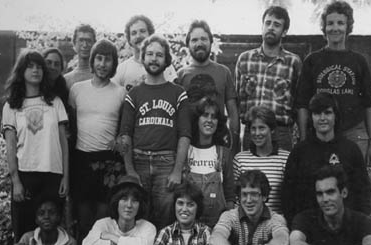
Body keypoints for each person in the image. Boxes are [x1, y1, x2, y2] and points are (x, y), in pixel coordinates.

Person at [68, 39, 125, 245]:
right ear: (92, 61)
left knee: (104, 222)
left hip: (108, 164)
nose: (103, 63)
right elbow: (69, 128)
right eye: (99, 58)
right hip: (81, 161)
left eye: (108, 59)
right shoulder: (77, 89)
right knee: (83, 222)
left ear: (113, 63)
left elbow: (123, 130)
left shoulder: (120, 92)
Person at [119, 34, 191, 229]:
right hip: (139, 160)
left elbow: (184, 134)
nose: (153, 58)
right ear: (143, 58)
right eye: (149, 54)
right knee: (139, 218)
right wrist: (130, 170)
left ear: (166, 60)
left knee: (165, 219)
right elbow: (125, 133)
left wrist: (177, 170)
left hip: (166, 163)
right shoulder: (134, 94)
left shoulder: (177, 93)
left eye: (159, 55)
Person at [296, 1, 371, 167]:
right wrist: (304, 141)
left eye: (340, 23)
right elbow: (302, 104)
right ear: (324, 28)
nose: (335, 28)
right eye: (330, 23)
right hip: (320, 133)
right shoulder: (312, 60)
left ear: (348, 27)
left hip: (354, 132)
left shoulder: (359, 61)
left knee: (353, 184)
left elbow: (370, 104)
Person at [2, 50, 69, 241]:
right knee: (24, 233)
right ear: (21, 71)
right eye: (30, 66)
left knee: (51, 234)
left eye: (39, 66)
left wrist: (66, 177)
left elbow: (63, 142)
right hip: (25, 175)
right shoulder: (12, 105)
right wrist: (16, 181)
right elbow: (11, 146)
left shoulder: (54, 102)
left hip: (53, 176)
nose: (36, 70)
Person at [282, 93, 371, 225]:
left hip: (345, 226)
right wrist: (297, 224)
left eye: (327, 113)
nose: (322, 118)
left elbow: (364, 193)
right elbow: (288, 195)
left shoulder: (350, 150)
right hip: (309, 226)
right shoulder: (299, 152)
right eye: (317, 113)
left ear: (336, 116)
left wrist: (355, 224)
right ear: (311, 118)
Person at [235, 6, 301, 152]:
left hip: (281, 133)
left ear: (284, 32)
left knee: (281, 174)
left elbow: (299, 103)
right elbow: (237, 100)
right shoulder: (244, 60)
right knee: (250, 175)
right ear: (262, 26)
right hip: (251, 132)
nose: (271, 28)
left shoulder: (293, 62)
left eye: (277, 25)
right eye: (268, 23)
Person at [210, 170, 289, 245]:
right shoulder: (230, 216)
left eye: (254, 194)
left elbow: (282, 241)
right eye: (244, 194)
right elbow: (216, 239)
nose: (248, 200)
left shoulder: (275, 219)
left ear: (264, 196)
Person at [177, 20, 240, 155]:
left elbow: (233, 113)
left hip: (218, 142)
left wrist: (234, 145)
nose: (199, 43)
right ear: (188, 45)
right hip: (189, 143)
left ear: (211, 42)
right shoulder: (181, 75)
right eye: (194, 40)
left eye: (203, 39)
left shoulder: (224, 72)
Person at [82, 175, 156, 245]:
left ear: (140, 205)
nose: (129, 205)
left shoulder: (147, 227)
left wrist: (112, 237)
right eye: (124, 199)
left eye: (135, 201)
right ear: (116, 202)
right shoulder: (103, 224)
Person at [186, 97, 235, 227]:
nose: (209, 120)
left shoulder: (224, 153)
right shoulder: (186, 152)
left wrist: (228, 226)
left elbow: (229, 196)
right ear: (197, 119)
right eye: (205, 115)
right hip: (188, 226)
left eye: (213, 117)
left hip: (217, 226)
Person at [233, 106, 289, 214]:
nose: (257, 133)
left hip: (276, 223)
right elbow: (236, 200)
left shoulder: (285, 159)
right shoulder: (240, 160)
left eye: (262, 128)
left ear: (271, 130)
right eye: (253, 128)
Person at [112, 15, 176, 92]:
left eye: (142, 31)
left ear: (150, 34)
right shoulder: (121, 69)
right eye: (134, 33)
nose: (138, 36)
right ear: (129, 39)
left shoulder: (165, 67)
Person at [65, 24, 96, 90]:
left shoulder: (102, 76)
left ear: (94, 44)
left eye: (89, 41)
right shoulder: (67, 80)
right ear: (74, 43)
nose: (85, 45)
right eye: (81, 40)